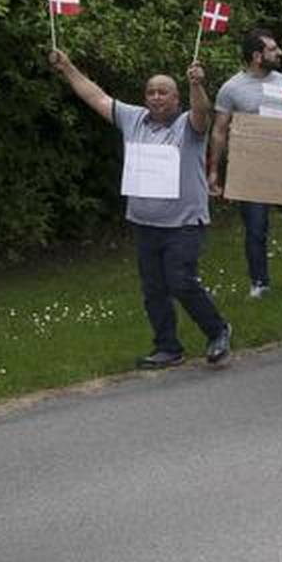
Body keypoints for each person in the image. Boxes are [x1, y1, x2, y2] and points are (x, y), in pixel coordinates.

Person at [50, 48, 231, 370]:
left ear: (176, 99)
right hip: (145, 223)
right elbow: (96, 97)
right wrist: (67, 68)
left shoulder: (189, 126)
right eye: (151, 92)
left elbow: (203, 112)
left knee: (181, 281)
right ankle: (167, 347)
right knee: (153, 289)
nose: (156, 97)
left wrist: (197, 85)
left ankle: (217, 331)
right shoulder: (133, 119)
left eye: (164, 92)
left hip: (184, 223)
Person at [210, 26, 282, 296]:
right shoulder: (231, 88)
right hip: (251, 170)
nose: (280, 52)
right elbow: (219, 131)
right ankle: (260, 283)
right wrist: (213, 172)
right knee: (256, 229)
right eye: (273, 49)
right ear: (257, 56)